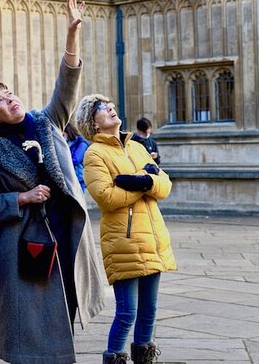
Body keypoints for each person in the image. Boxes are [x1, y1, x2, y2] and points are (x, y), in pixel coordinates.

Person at [0, 0, 105, 363]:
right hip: (22, 244)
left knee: (65, 307)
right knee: (30, 326)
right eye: (0, 101)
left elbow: (67, 84)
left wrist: (72, 33)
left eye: (10, 94)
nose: (10, 100)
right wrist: (22, 198)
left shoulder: (47, 121)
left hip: (65, 231)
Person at [73, 94, 177, 364]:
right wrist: (146, 185)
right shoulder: (95, 153)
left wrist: (142, 183)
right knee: (127, 312)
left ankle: (145, 359)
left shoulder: (137, 147)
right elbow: (106, 198)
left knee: (149, 310)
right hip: (124, 240)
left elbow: (164, 185)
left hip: (153, 237)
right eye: (100, 108)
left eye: (110, 105)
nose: (109, 108)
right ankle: (115, 359)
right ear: (93, 123)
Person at [64, 123, 90, 191]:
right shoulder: (69, 142)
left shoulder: (82, 143)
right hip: (70, 177)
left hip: (78, 178)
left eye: (63, 134)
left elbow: (75, 160)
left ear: (68, 132)